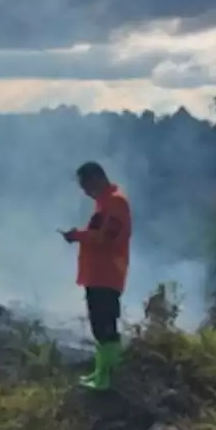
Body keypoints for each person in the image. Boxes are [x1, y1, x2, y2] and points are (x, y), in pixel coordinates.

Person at [62, 162, 132, 391]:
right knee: (98, 326)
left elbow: (106, 238)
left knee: (105, 326)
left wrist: (78, 236)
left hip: (107, 274)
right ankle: (100, 373)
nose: (84, 191)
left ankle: (108, 377)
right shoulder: (104, 204)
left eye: (85, 184)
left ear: (97, 178)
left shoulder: (116, 202)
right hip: (96, 275)